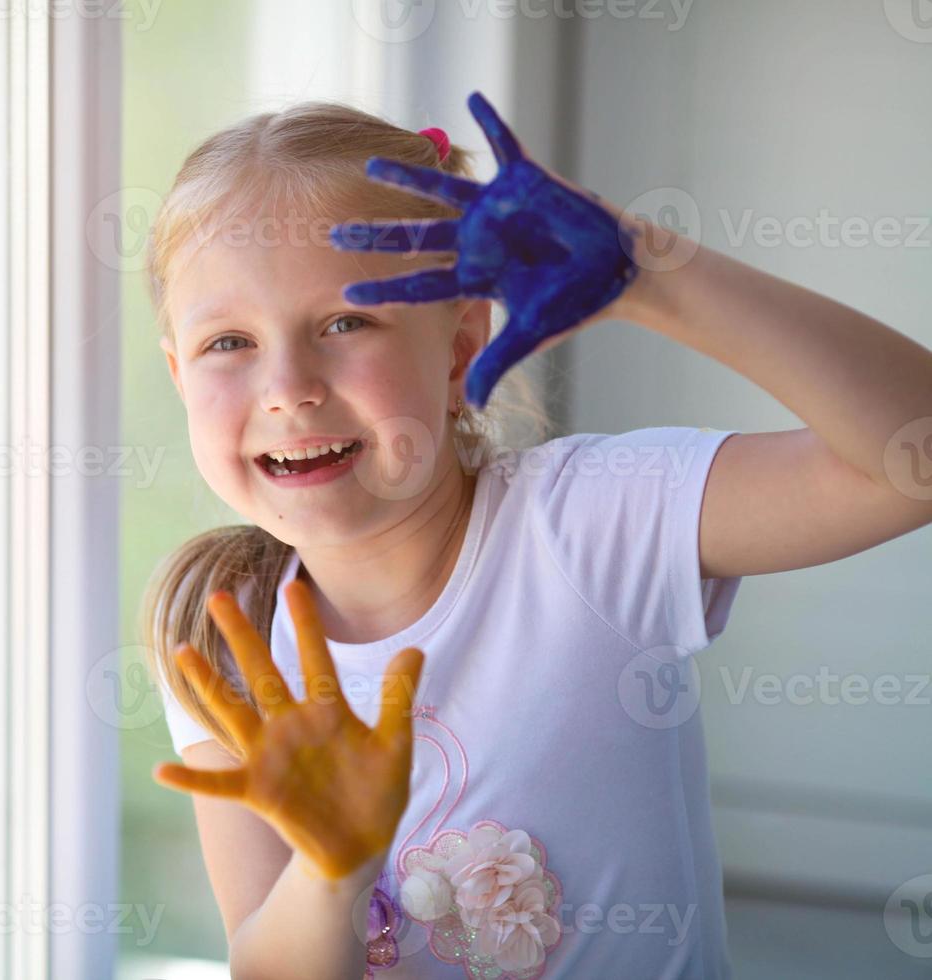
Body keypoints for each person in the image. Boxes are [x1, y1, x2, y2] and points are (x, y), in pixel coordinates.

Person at [142, 92, 932, 978]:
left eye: (346, 322)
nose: (288, 386)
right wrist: (329, 877)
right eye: (228, 343)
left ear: (458, 349)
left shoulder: (591, 526)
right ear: (178, 374)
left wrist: (655, 278)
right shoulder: (223, 634)